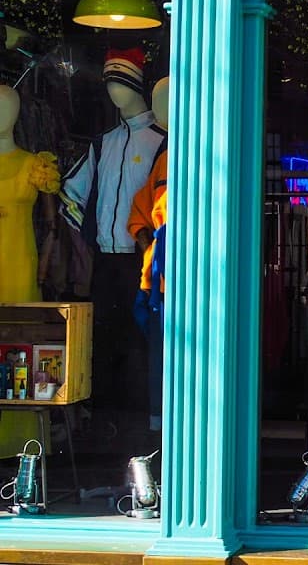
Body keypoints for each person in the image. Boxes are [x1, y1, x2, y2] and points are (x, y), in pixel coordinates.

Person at [58, 49, 165, 436]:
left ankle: (140, 419)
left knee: (139, 339)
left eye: (121, 82)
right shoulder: (103, 143)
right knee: (103, 338)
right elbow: (74, 191)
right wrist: (85, 239)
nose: (115, 91)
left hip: (141, 258)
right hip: (105, 257)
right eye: (109, 83)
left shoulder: (161, 141)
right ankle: (104, 418)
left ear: (138, 85)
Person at [0, 83, 61, 456]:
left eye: (7, 107)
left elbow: (53, 226)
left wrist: (45, 270)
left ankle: (21, 442)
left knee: (20, 349)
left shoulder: (34, 163)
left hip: (21, 261)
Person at [128, 77, 168, 434]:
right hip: (161, 283)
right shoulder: (164, 162)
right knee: (160, 355)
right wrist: (150, 246)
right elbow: (140, 212)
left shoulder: (210, 156)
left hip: (196, 280)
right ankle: (160, 428)